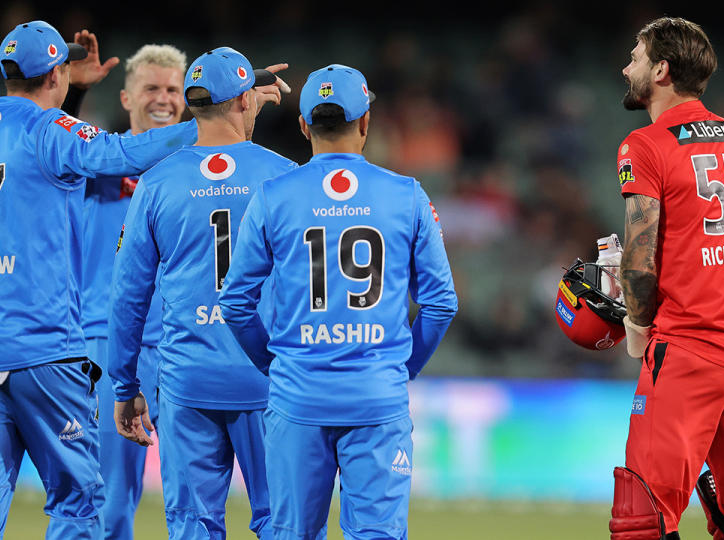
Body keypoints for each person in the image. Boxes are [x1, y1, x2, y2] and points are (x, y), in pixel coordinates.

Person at [0, 20, 197, 539]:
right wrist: (213, 116)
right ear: (57, 73)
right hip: (50, 347)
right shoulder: (53, 134)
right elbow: (116, 154)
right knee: (83, 504)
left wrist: (76, 93)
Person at [219, 64, 458, 540]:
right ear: (367, 121)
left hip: (296, 399)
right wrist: (401, 367)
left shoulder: (272, 198)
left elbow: (235, 303)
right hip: (376, 399)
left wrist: (274, 362)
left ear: (303, 125)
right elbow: (440, 304)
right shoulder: (407, 196)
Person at [608, 18, 724, 540]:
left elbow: (640, 258)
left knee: (642, 517)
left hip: (689, 350)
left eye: (636, 57)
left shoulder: (644, 144)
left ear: (661, 70)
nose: (627, 67)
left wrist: (639, 326)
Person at [107, 46, 295, 539]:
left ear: (191, 107)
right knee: (284, 522)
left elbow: (128, 297)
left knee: (193, 526)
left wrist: (125, 386)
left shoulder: (154, 183)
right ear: (242, 103)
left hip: (187, 383)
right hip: (269, 380)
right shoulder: (284, 177)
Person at [71, 43, 188, 540]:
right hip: (109, 345)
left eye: (174, 90)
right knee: (109, 501)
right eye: (151, 89)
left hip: (186, 346)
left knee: (193, 500)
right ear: (125, 98)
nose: (163, 99)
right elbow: (53, 148)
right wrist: (74, 93)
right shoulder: (99, 163)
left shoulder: (198, 172)